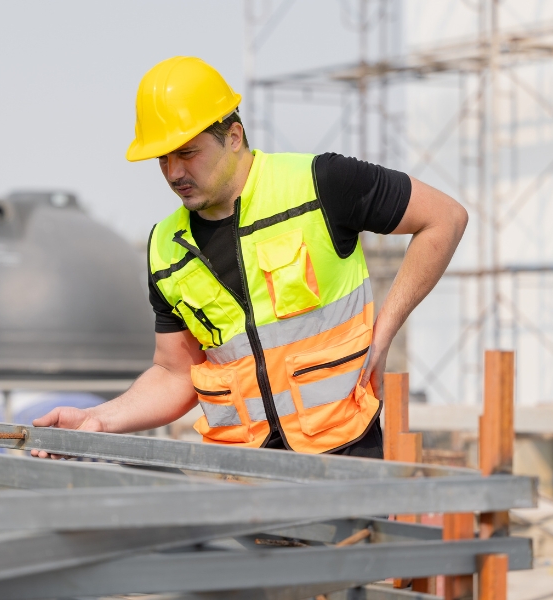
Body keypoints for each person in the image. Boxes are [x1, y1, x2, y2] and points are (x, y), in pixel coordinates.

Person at [31, 56, 467, 459]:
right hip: (240, 477)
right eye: (162, 158)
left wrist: (384, 330)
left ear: (233, 136)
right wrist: (98, 419)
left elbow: (444, 218)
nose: (174, 172)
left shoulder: (320, 184)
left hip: (345, 459)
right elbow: (174, 373)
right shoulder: (165, 245)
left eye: (187, 152)